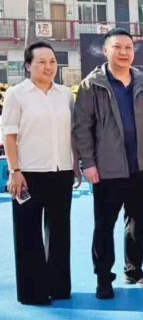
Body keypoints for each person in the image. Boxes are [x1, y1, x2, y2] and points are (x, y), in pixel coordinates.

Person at [73, 28, 143, 299]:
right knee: (104, 225)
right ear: (105, 51)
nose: (123, 52)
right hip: (107, 168)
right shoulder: (92, 85)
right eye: (117, 47)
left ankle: (134, 269)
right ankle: (103, 277)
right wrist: (88, 162)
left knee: (137, 222)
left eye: (128, 47)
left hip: (140, 167)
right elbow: (82, 126)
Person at [3, 42, 81, 305]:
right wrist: (15, 171)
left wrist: (75, 165)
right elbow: (9, 135)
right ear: (28, 65)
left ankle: (58, 286)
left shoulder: (65, 94)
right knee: (28, 234)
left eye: (52, 62)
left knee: (59, 232)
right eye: (41, 62)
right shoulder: (17, 94)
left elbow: (71, 134)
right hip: (28, 174)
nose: (48, 67)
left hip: (61, 172)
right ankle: (32, 292)